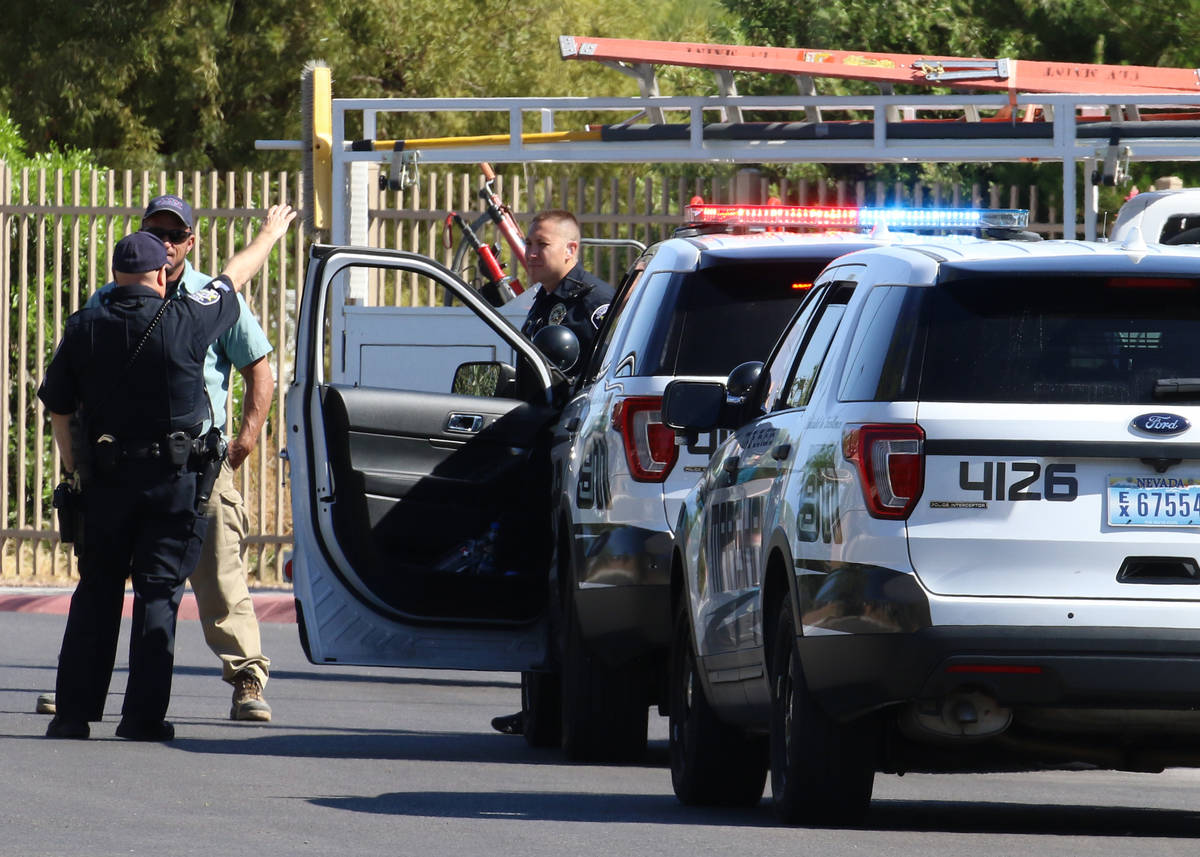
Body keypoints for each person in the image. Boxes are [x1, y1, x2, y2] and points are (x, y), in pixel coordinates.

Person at [38, 205, 295, 741]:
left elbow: (59, 406)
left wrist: (73, 468)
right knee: (159, 595)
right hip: (173, 482)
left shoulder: (84, 325)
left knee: (97, 593)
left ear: (115, 276)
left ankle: (73, 714)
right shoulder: (189, 316)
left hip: (106, 481)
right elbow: (236, 274)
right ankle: (142, 718)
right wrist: (270, 234)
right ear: (161, 275)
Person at [493, 210, 614, 737]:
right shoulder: (542, 300)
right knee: (537, 574)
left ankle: (556, 702)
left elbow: (603, 374)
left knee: (558, 577)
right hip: (541, 446)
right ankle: (539, 703)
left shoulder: (593, 303)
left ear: (572, 250)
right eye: (531, 244)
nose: (531, 252)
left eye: (541, 245)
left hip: (573, 452)